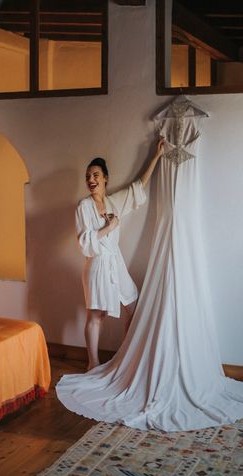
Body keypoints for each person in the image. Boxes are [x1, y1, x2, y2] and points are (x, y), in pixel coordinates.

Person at [75, 139, 164, 370]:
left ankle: (125, 356)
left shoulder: (114, 202)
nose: (91, 180)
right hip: (95, 264)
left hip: (116, 262)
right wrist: (109, 228)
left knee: (133, 306)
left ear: (105, 178)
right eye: (88, 177)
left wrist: (156, 156)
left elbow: (138, 187)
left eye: (95, 175)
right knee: (96, 315)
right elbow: (85, 243)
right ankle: (92, 363)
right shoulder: (83, 207)